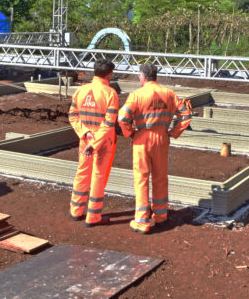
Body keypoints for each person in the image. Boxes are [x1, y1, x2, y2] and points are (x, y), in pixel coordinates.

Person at [117, 63, 192, 234]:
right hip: (162, 138)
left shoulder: (136, 95)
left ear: (142, 76)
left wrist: (130, 133)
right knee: (160, 178)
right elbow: (186, 115)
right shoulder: (169, 94)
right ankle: (160, 216)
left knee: (141, 178)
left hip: (142, 139)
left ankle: (142, 221)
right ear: (155, 76)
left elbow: (122, 117)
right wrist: (173, 132)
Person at [68, 59, 119, 227]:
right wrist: (95, 143)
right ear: (109, 74)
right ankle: (93, 217)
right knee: (98, 176)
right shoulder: (110, 93)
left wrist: (86, 134)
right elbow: (109, 123)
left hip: (85, 140)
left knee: (82, 173)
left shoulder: (80, 91)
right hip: (102, 142)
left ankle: (75, 211)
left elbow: (73, 116)